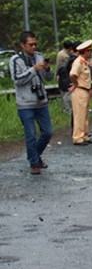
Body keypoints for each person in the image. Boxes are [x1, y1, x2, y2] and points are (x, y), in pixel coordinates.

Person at [9, 31, 54, 175]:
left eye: (35, 44)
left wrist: (47, 69)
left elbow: (48, 78)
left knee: (47, 132)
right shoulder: (16, 60)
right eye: (30, 44)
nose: (34, 47)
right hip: (25, 103)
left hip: (41, 101)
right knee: (31, 134)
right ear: (23, 45)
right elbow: (18, 80)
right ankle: (35, 163)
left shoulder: (39, 56)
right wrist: (34, 69)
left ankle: (34, 156)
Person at [68, 40, 92, 146]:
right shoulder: (78, 62)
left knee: (85, 114)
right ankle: (78, 137)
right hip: (80, 90)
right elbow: (72, 74)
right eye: (89, 50)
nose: (91, 52)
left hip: (85, 90)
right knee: (79, 115)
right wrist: (75, 84)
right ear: (85, 51)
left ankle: (84, 135)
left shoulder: (84, 62)